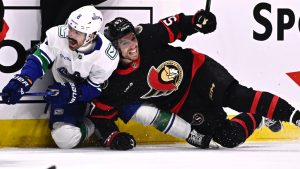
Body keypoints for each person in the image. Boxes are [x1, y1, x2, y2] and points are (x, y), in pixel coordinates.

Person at [88, 9, 300, 149]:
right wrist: (114, 138)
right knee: (228, 138)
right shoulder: (112, 80)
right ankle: (261, 117)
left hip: (199, 72)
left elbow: (176, 25)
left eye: (132, 38)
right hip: (183, 104)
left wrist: (198, 21)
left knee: (235, 96)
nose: (133, 45)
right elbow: (101, 115)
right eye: (125, 43)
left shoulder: (146, 36)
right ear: (114, 47)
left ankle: (295, 116)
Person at [1, 5, 121, 149]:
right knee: (64, 138)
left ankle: (99, 121)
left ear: (91, 35)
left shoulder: (107, 57)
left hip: (94, 96)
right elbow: (38, 61)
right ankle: (91, 125)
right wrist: (22, 81)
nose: (70, 34)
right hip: (65, 90)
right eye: (70, 27)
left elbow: (95, 88)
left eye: (77, 32)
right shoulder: (57, 34)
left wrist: (70, 92)